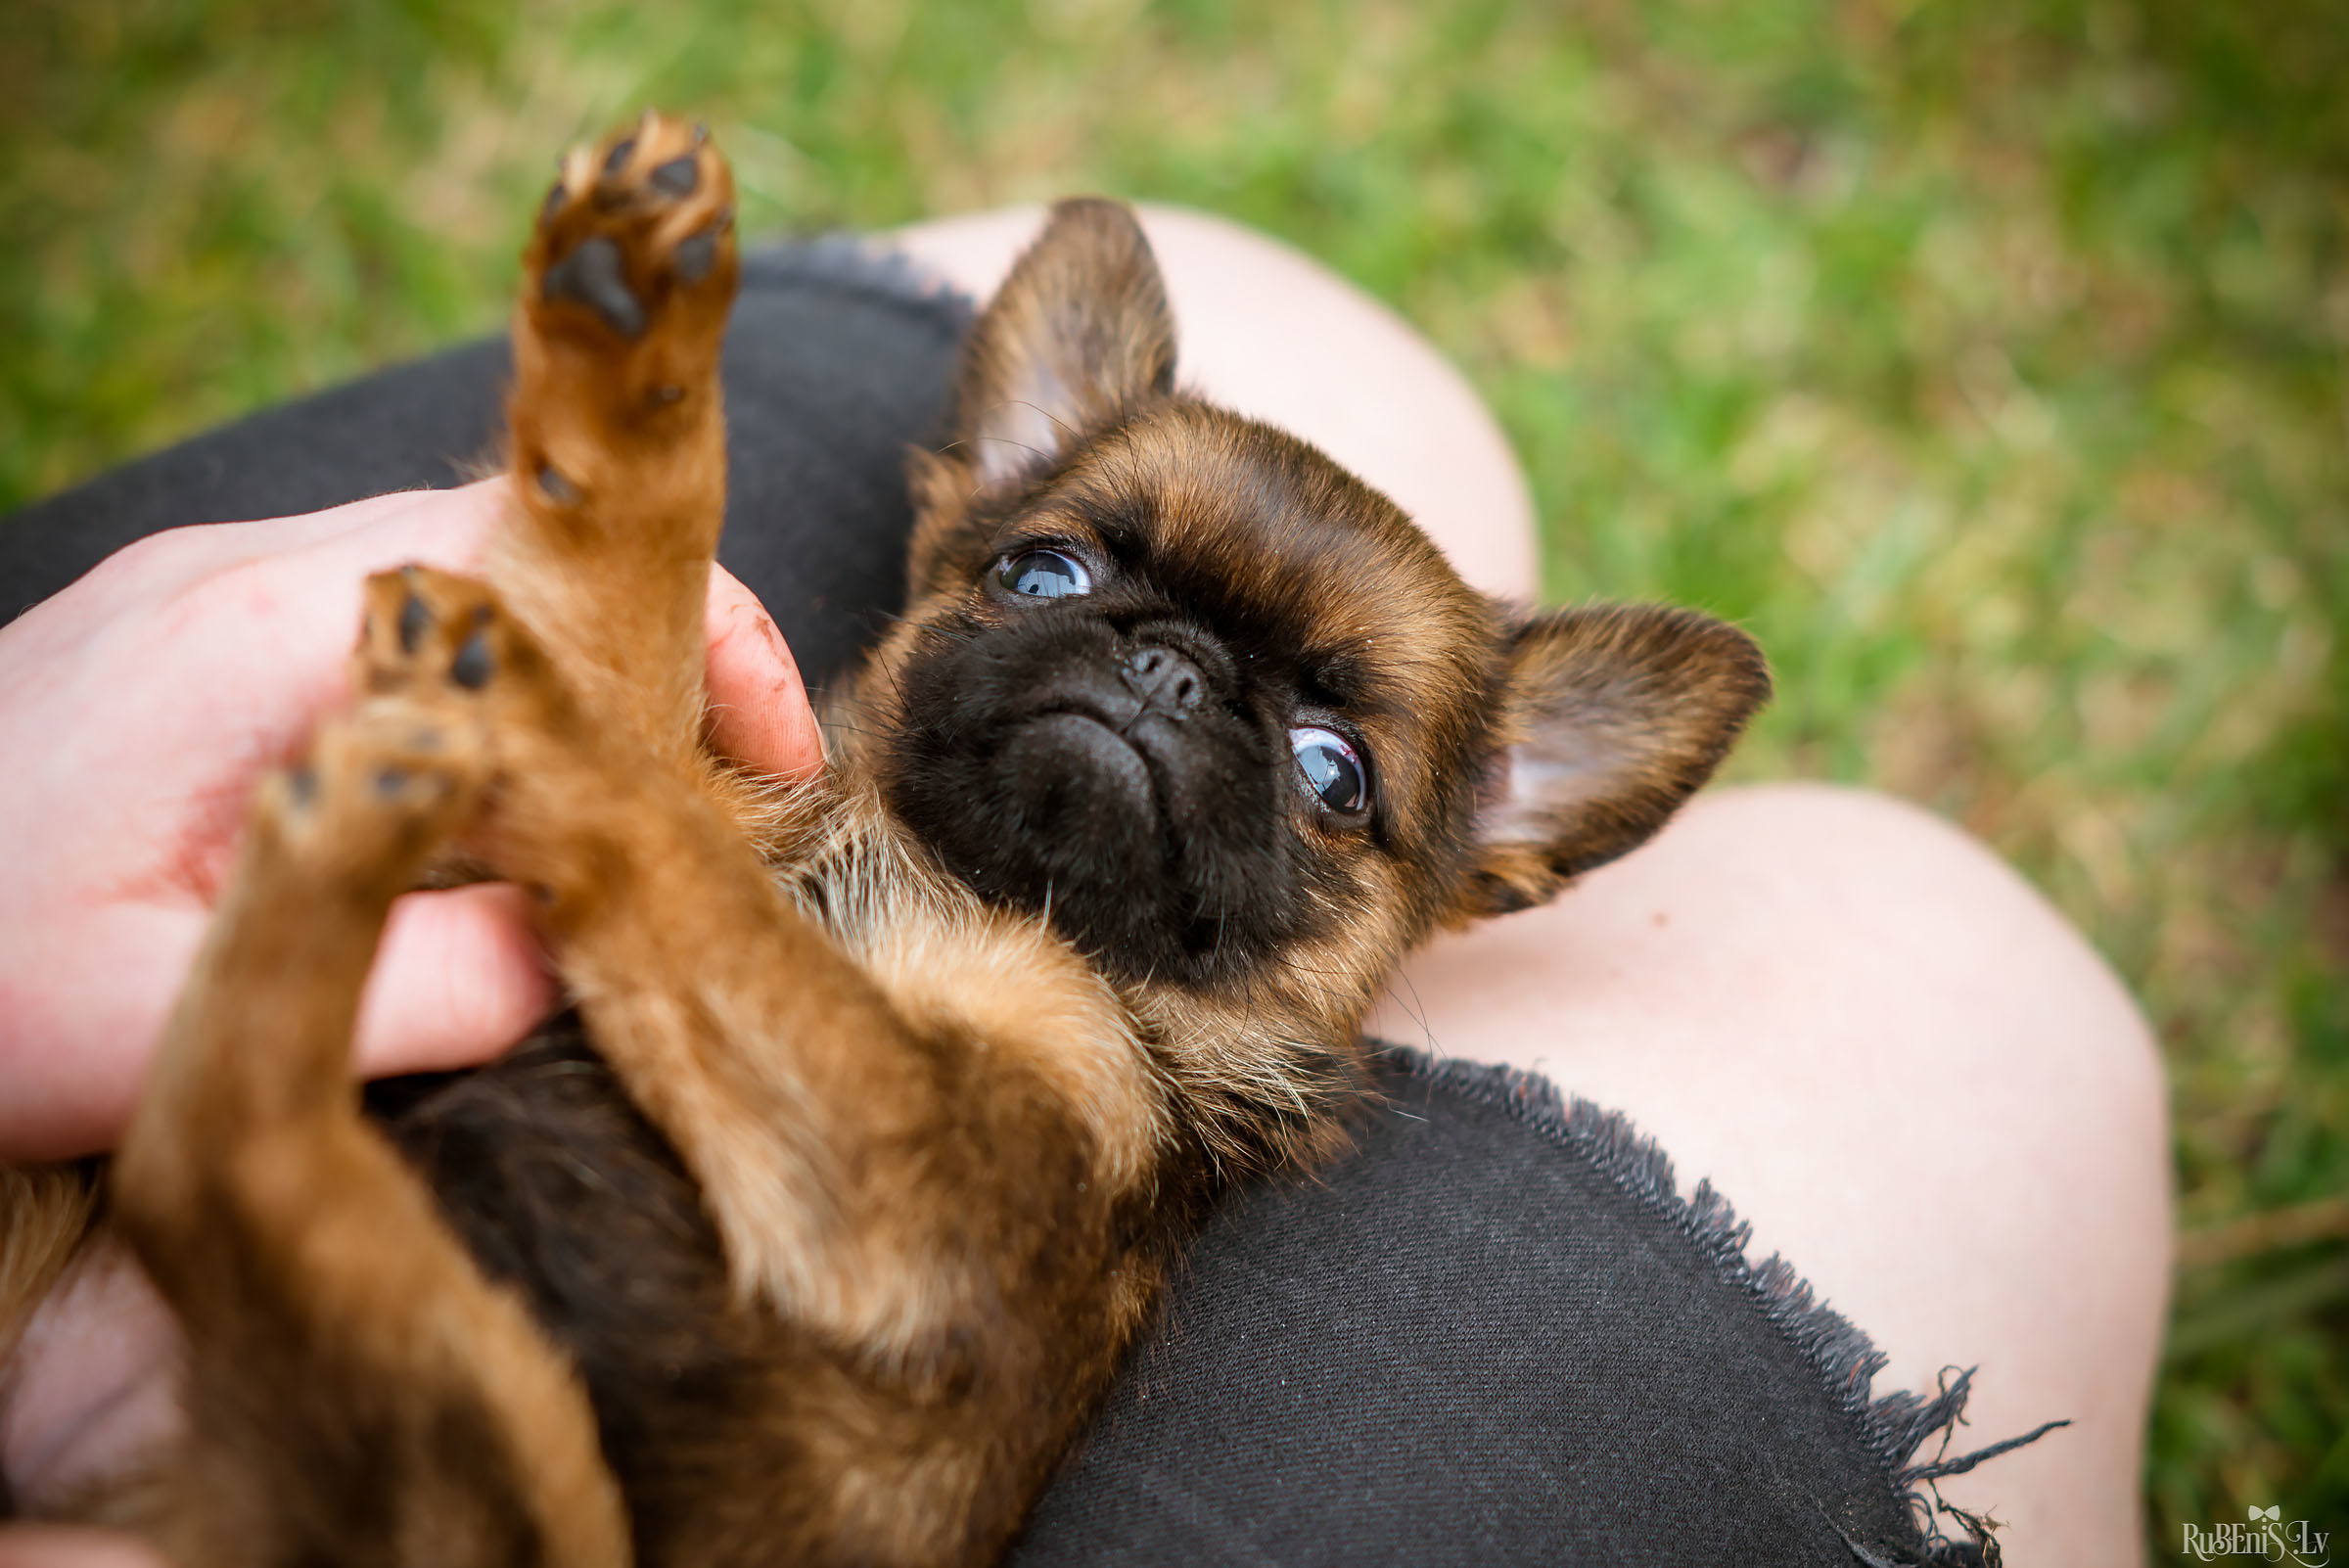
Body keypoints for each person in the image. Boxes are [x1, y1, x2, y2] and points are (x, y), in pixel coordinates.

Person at [0, 209, 2169, 1567]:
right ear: (943, 540)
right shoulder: (732, 821)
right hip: (146, 1257)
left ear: (1479, 861)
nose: (1152, 672)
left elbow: (852, 1189)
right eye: (1057, 568)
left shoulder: (1094, 1102)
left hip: (363, 1477)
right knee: (1959, 1004)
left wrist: (594, 767)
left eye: (1331, 759)